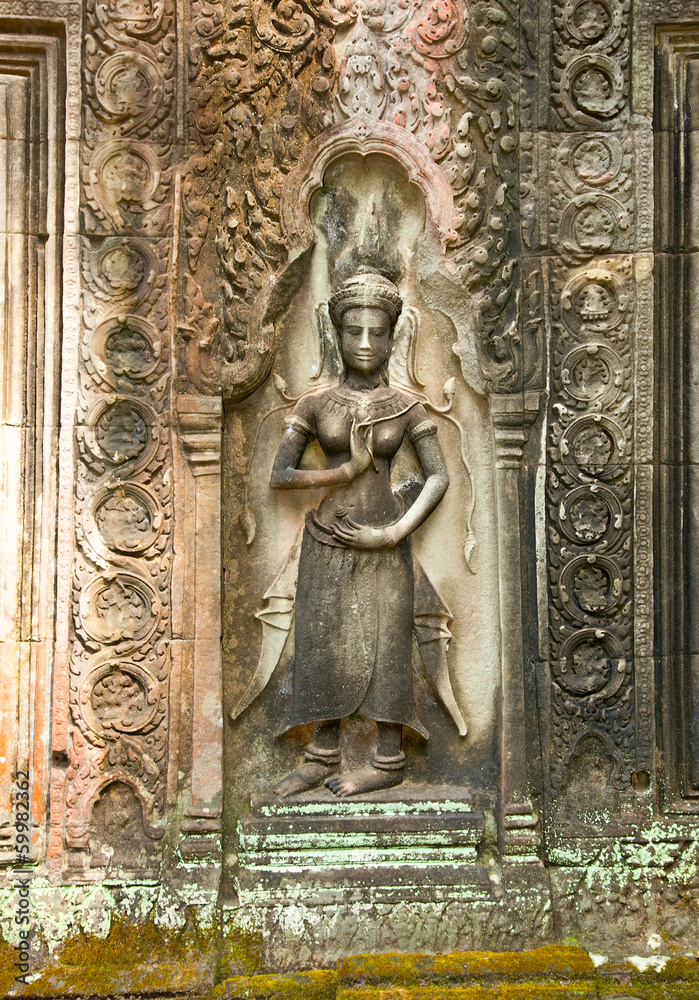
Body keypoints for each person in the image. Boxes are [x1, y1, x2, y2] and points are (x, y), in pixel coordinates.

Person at [269, 269, 456, 797]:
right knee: (323, 642)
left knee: (387, 644)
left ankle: (388, 758)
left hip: (385, 541)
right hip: (327, 540)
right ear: (337, 334)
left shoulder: (406, 406)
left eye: (377, 331)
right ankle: (321, 753)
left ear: (394, 335)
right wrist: (345, 473)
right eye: (354, 331)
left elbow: (439, 476)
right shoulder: (315, 405)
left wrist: (394, 532)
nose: (366, 343)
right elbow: (279, 476)